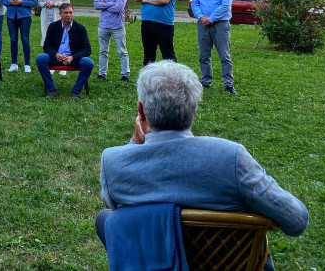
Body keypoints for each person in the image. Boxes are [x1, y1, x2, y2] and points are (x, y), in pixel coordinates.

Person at [96, 62, 309, 270]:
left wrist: (135, 143)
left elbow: (116, 205)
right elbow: (296, 220)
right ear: (195, 109)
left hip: (156, 254)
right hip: (230, 259)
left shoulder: (114, 162)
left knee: (107, 219)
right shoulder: (230, 157)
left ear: (141, 111)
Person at [190, 0, 235, 94]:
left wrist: (211, 19)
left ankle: (228, 84)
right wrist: (201, 17)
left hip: (220, 24)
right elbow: (194, 3)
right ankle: (205, 81)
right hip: (203, 24)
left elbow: (226, 5)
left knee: (224, 55)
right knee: (204, 55)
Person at [35, 3, 94, 101]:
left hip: (74, 59)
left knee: (89, 62)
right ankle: (51, 90)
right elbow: (47, 46)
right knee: (40, 58)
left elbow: (87, 49)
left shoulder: (80, 28)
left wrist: (72, 57)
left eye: (70, 12)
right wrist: (55, 54)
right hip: (56, 58)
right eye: (65, 13)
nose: (68, 15)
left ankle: (75, 92)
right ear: (60, 14)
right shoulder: (53, 27)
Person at [133, 0, 177, 65]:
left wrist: (147, 0)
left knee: (168, 55)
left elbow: (164, 0)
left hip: (164, 24)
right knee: (148, 54)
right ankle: (147, 80)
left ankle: (173, 79)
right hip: (147, 24)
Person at [94, 0, 130, 81]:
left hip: (117, 26)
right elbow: (96, 5)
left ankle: (125, 74)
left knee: (122, 51)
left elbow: (119, 8)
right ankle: (102, 74)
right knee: (103, 51)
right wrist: (111, 3)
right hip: (103, 25)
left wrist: (103, 4)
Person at [2, 0, 36, 73]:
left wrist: (22, 2)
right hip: (11, 16)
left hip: (24, 16)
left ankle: (27, 64)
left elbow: (33, 2)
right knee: (13, 40)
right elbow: (3, 0)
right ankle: (14, 63)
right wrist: (9, 2)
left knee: (25, 40)